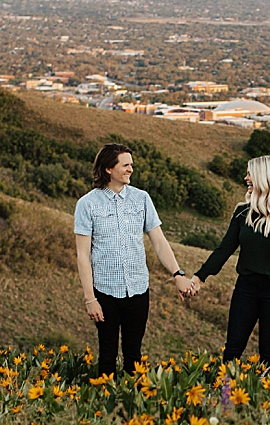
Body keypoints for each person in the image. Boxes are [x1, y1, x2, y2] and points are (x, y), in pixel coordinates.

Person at [73, 145, 197, 375]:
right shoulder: (87, 204)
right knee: (107, 353)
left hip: (139, 289)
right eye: (126, 165)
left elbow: (159, 242)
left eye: (131, 164)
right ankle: (104, 405)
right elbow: (83, 255)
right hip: (105, 292)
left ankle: (134, 403)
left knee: (134, 353)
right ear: (109, 168)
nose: (131, 169)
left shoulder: (142, 199)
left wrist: (177, 274)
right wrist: (90, 298)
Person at [188, 155, 270, 366]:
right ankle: (225, 395)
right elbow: (225, 249)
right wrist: (200, 276)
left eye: (250, 174)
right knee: (232, 350)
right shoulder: (242, 212)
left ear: (265, 178)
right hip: (246, 289)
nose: (245, 178)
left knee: (268, 355)